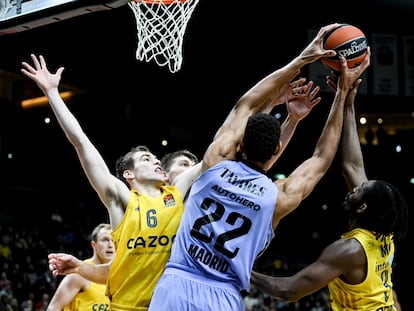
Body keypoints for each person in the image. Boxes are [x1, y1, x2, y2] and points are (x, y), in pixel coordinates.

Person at [24, 23, 329, 311]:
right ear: (128, 175)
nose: (154, 160)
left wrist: (278, 112)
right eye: (145, 159)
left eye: (155, 158)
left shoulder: (180, 197)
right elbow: (82, 144)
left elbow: (250, 161)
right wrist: (52, 93)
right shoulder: (124, 201)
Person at [146, 33, 371, 310]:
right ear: (278, 149)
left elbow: (246, 105)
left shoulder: (215, 162)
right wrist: (342, 94)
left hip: (175, 284)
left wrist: (303, 58)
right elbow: (322, 158)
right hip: (222, 295)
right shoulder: (277, 197)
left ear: (240, 143)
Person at [250, 68, 409, 310]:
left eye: (362, 188)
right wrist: (347, 103)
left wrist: (245, 271)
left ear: (364, 207)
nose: (357, 184)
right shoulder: (383, 233)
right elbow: (352, 165)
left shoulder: (350, 250)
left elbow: (289, 290)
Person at [46, 223, 115, 311]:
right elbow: (53, 307)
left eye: (113, 240)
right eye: (105, 240)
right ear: (94, 245)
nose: (110, 245)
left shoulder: (119, 273)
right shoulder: (79, 272)